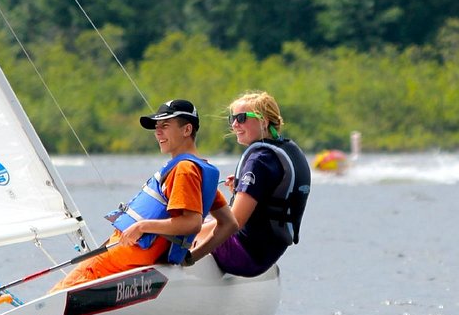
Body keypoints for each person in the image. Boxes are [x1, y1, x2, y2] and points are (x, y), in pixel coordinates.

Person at [51, 99, 227, 291]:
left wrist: (142, 226)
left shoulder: (185, 169)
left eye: (165, 126)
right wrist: (191, 258)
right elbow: (229, 223)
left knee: (55, 298)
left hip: (120, 263)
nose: (158, 132)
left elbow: (192, 223)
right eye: (157, 127)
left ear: (186, 130)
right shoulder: (200, 170)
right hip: (131, 262)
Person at [187, 91, 311, 277]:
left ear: (264, 121)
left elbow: (233, 223)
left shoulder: (259, 161)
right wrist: (240, 189)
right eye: (232, 118)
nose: (235, 124)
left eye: (242, 118)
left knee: (184, 223)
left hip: (245, 256)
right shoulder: (279, 151)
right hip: (265, 254)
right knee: (195, 223)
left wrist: (191, 253)